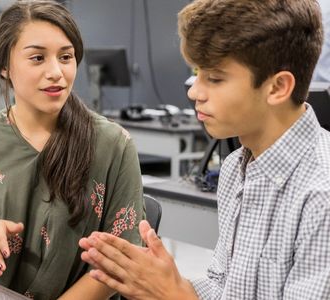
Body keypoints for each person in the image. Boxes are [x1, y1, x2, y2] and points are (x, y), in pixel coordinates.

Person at [79, 0, 330, 299]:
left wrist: (175, 295)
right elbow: (223, 288)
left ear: (277, 87)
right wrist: (167, 283)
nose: (194, 91)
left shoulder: (321, 195)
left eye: (214, 78)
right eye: (197, 73)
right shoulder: (237, 166)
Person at [0, 1, 145, 299]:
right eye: (37, 58)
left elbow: (122, 258)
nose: (56, 72)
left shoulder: (113, 144)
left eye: (66, 57)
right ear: (4, 66)